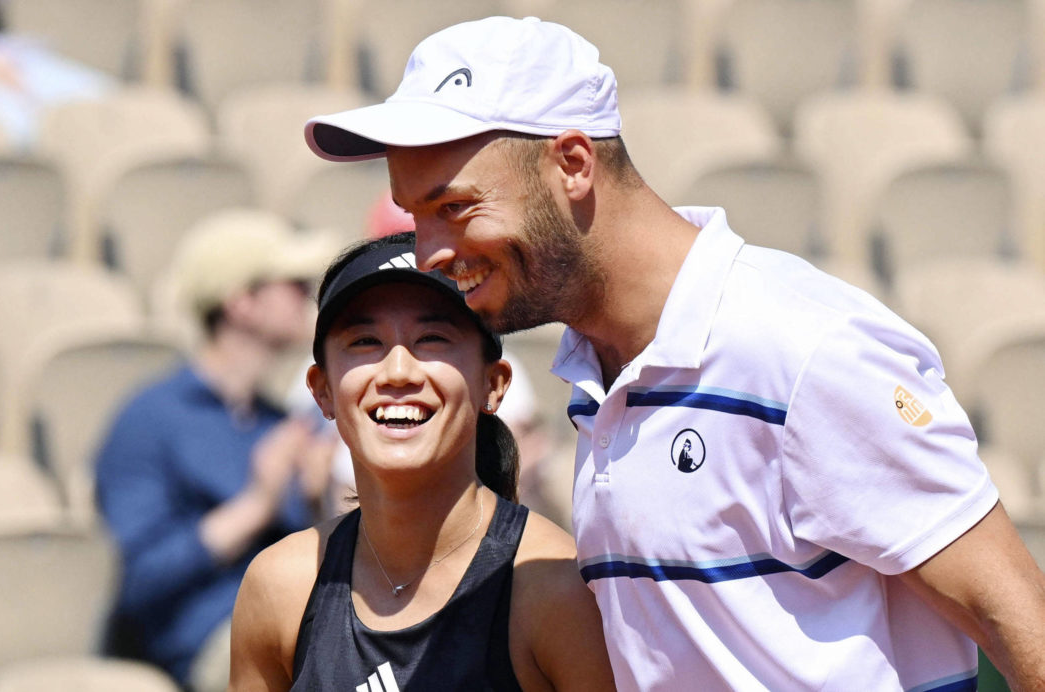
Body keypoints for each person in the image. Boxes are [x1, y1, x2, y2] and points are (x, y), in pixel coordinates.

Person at [301, 16, 1045, 692]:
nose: (427, 252)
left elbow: (1019, 623)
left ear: (571, 164)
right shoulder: (595, 370)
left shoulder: (803, 345)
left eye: (454, 207)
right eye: (416, 215)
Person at [228, 232, 614, 690]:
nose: (397, 372)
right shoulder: (280, 586)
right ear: (323, 390)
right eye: (365, 341)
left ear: (493, 384)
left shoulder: (557, 587)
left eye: (432, 338)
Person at [95, 208, 338, 691]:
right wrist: (254, 505)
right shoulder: (150, 418)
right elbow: (134, 581)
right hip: (213, 644)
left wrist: (317, 502)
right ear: (242, 303)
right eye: (292, 284)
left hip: (300, 620)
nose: (308, 298)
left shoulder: (277, 420)